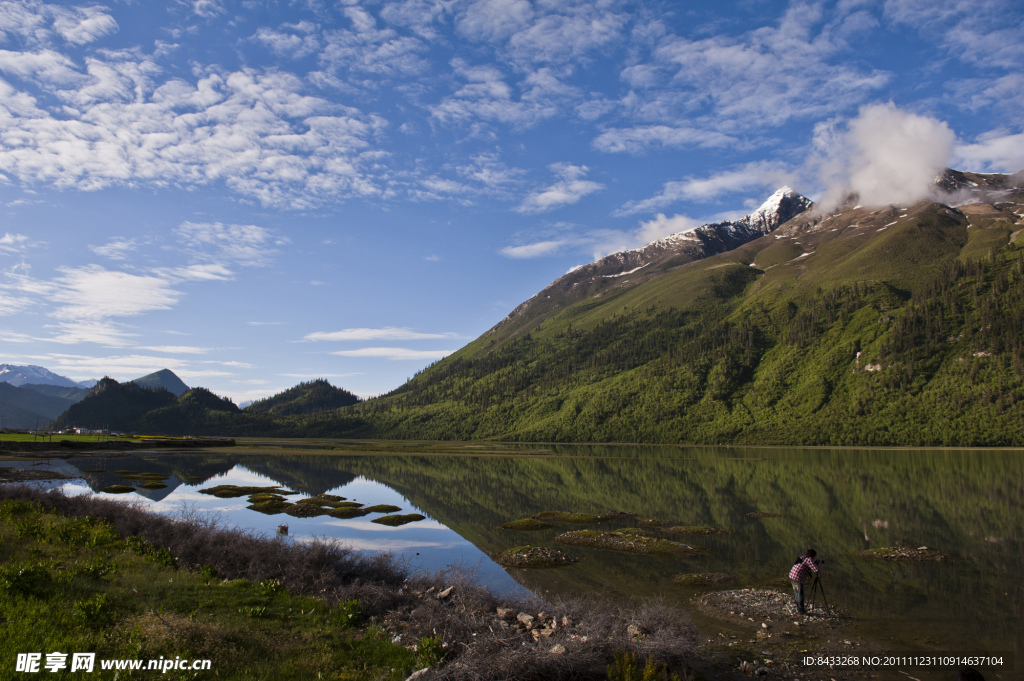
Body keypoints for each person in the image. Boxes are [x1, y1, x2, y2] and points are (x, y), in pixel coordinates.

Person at [788, 548, 820, 614]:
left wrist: (814, 563)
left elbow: (804, 565)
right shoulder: (809, 559)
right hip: (797, 578)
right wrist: (819, 564)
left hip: (792, 576)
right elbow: (816, 570)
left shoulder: (803, 557)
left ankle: (799, 608)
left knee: (797, 593)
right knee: (800, 594)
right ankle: (801, 610)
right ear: (813, 556)